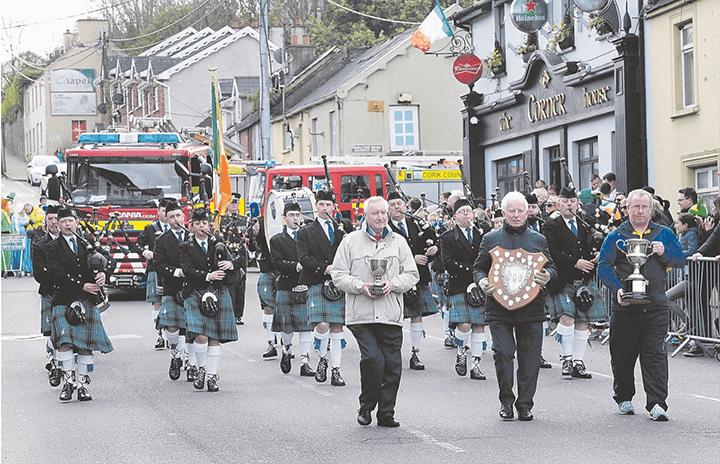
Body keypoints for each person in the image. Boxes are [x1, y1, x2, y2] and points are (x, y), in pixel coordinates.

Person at [598, 189, 685, 420]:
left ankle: (657, 404)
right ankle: (624, 397)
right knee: (623, 355)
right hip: (625, 307)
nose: (639, 211)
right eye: (635, 207)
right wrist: (617, 289)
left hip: (655, 306)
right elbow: (603, 265)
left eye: (644, 207)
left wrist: (664, 252)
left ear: (650, 209)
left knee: (655, 356)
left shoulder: (664, 234)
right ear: (627, 209)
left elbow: (680, 259)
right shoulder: (616, 236)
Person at [332, 196, 419, 427]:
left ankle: (386, 412)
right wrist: (361, 287)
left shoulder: (399, 242)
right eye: (375, 213)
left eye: (383, 212)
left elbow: (412, 274)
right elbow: (338, 274)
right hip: (361, 313)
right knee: (372, 359)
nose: (380, 217)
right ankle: (366, 406)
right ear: (366, 216)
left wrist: (394, 284)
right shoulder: (350, 241)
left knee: (392, 364)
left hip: (390, 313)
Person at [473, 191, 557, 422]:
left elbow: (552, 268)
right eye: (512, 211)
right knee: (503, 352)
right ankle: (506, 401)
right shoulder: (490, 239)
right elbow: (479, 268)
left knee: (530, 359)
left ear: (528, 212)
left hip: (532, 308)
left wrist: (548, 276)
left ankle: (525, 405)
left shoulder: (538, 240)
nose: (517, 215)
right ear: (503, 212)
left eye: (521, 210)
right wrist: (481, 281)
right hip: (499, 307)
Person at [47, 207, 114, 402]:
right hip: (64, 299)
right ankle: (68, 383)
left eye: (71, 220)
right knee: (65, 343)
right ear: (58, 225)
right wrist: (82, 285)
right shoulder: (53, 247)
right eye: (64, 221)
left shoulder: (88, 243)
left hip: (87, 300)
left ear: (76, 222)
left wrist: (103, 274)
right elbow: (55, 273)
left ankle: (83, 385)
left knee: (86, 346)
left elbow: (107, 261)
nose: (68, 224)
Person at [544, 187, 607, 379]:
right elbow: (551, 251)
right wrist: (575, 262)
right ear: (559, 204)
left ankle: (578, 362)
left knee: (582, 321)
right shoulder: (550, 226)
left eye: (572, 201)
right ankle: (567, 360)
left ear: (577, 204)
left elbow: (594, 244)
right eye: (565, 201)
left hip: (585, 279)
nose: (569, 204)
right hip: (563, 279)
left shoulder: (587, 223)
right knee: (567, 319)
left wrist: (597, 254)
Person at [179, 208, 241, 392]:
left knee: (215, 337)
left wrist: (230, 264)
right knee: (201, 335)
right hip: (196, 291)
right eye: (197, 224)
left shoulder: (219, 243)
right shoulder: (185, 247)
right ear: (191, 226)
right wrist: (208, 276)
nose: (201, 227)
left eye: (204, 223)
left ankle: (212, 377)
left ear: (209, 225)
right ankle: (201, 370)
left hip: (218, 292)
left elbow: (240, 260)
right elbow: (187, 269)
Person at [297, 190, 348, 385]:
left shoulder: (343, 229)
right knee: (322, 324)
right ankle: (322, 359)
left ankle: (336, 370)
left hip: (338, 281)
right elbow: (304, 257)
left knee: (337, 326)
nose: (325, 208)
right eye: (321, 205)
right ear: (316, 206)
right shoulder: (305, 232)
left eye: (328, 205)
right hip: (317, 279)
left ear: (333, 207)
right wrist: (325, 268)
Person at [387, 191, 439, 371]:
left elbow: (429, 242)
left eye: (399, 204)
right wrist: (411, 260)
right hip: (396, 278)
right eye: (392, 204)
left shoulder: (416, 223)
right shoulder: (385, 228)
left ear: (405, 206)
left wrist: (433, 250)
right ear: (388, 208)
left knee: (416, 316)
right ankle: (394, 354)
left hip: (419, 277)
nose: (396, 207)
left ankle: (415, 353)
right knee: (396, 317)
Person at [438, 198, 487, 379]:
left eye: (469, 211)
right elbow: (449, 263)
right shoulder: (447, 237)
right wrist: (473, 270)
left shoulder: (482, 235)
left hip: (479, 284)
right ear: (455, 216)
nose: (466, 215)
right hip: (459, 284)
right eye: (462, 212)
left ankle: (476, 365)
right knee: (465, 324)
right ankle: (461, 352)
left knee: (479, 326)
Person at [270, 202, 315, 377]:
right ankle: (287, 351)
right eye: (292, 215)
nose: (296, 218)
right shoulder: (277, 240)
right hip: (287, 285)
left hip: (305, 285)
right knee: (287, 328)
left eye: (298, 215)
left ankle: (305, 362)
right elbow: (277, 262)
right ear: (284, 218)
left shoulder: (308, 237)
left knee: (306, 327)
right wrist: (297, 266)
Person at [153, 200, 193, 382]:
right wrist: (178, 272)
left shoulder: (194, 237)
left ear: (183, 216)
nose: (176, 219)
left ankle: (192, 364)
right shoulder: (161, 240)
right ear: (166, 219)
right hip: (172, 287)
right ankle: (176, 356)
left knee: (193, 328)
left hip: (194, 288)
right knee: (172, 326)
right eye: (171, 217)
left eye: (178, 215)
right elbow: (159, 265)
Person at [31, 205, 61, 387]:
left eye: (56, 218)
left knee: (66, 332)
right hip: (50, 292)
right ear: (46, 222)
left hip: (69, 292)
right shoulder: (39, 245)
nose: (54, 222)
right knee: (53, 332)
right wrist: (62, 275)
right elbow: (39, 274)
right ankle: (56, 363)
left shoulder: (74, 242)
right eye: (50, 219)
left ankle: (62, 362)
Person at [136, 198, 171, 350]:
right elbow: (136, 244)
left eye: (167, 211)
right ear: (158, 212)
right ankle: (159, 336)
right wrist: (145, 251)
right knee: (157, 303)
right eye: (163, 211)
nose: (166, 214)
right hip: (154, 269)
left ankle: (171, 335)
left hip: (171, 270)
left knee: (171, 302)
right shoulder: (150, 228)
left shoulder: (177, 228)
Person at [248, 219, 279, 358]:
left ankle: (286, 345)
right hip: (267, 269)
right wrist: (255, 231)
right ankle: (271, 343)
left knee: (285, 309)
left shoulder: (287, 218)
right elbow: (253, 247)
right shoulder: (262, 219)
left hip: (285, 271)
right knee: (268, 306)